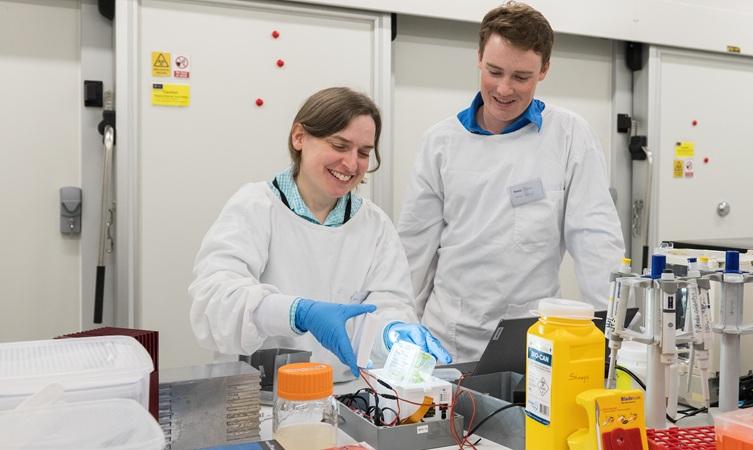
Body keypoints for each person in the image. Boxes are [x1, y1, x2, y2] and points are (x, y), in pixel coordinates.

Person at [397, 2, 625, 363]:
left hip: (532, 340)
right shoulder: (440, 141)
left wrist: (615, 337)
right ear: (478, 58)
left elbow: (596, 239)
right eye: (494, 71)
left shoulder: (568, 135)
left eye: (521, 77)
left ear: (544, 70)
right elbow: (413, 250)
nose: (504, 89)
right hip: (447, 339)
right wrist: (400, 330)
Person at [189, 87, 451, 380]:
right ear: (299, 137)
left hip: (345, 395)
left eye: (364, 153)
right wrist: (298, 313)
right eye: (339, 146)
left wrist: (392, 332)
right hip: (259, 400)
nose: (351, 164)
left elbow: (389, 306)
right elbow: (215, 304)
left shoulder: (374, 225)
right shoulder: (255, 206)